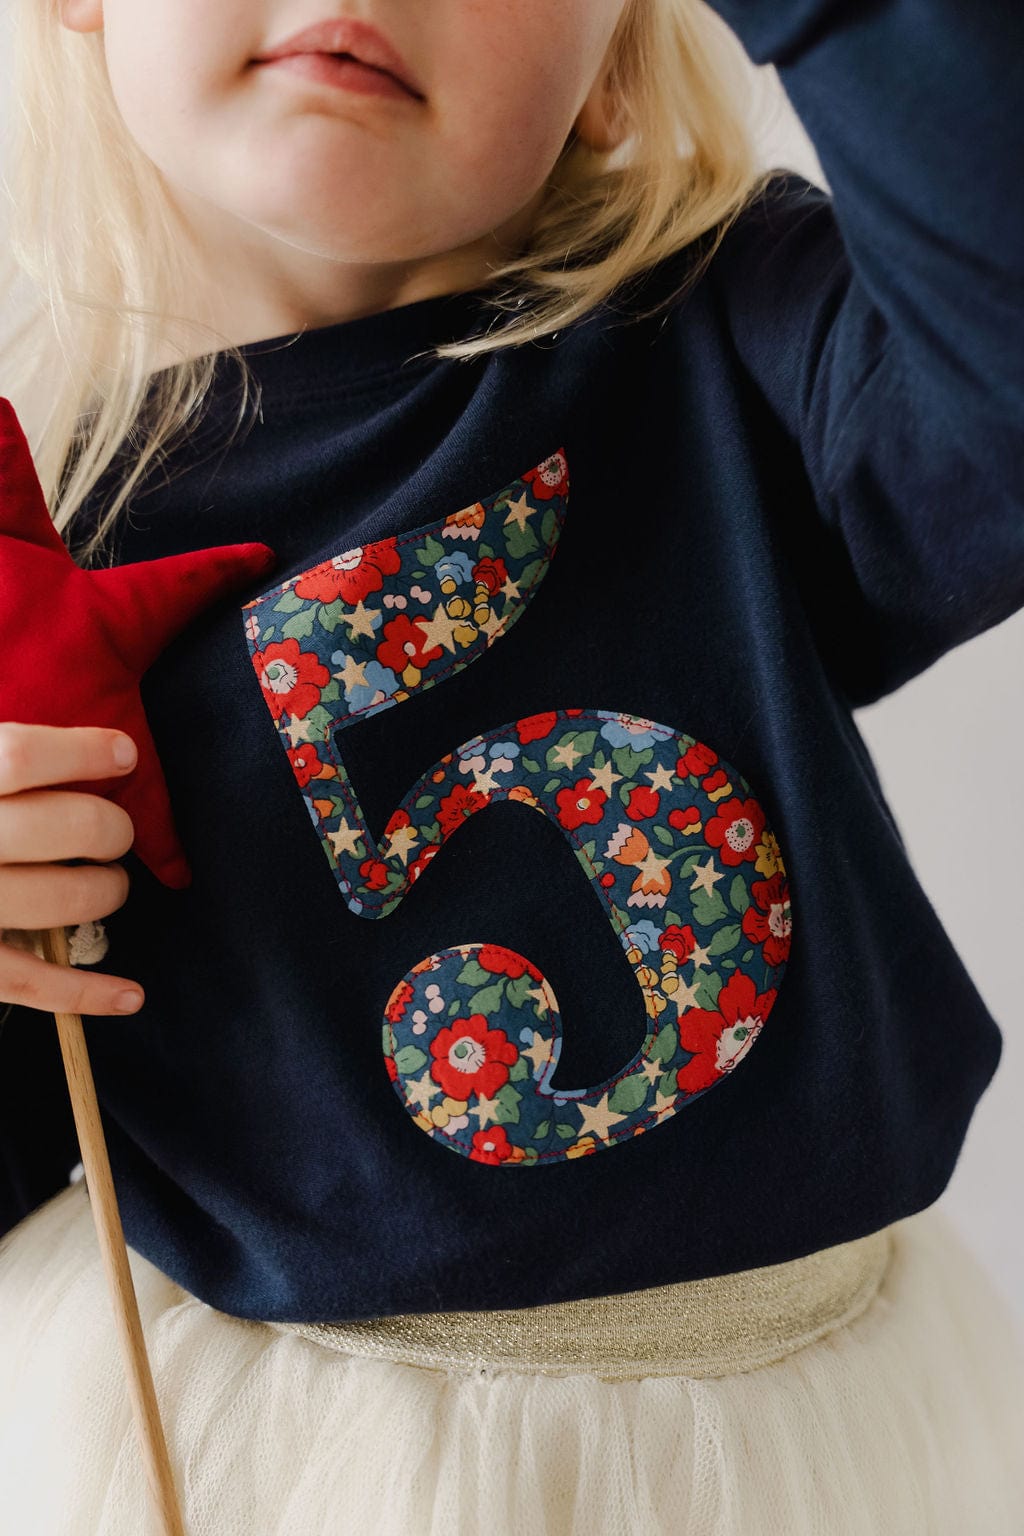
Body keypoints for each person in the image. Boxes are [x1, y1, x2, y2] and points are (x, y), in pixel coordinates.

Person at [0, 0, 1022, 1530]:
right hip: (256, 1471)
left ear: (610, 66)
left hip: (809, 1454)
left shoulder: (740, 335)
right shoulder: (44, 531)